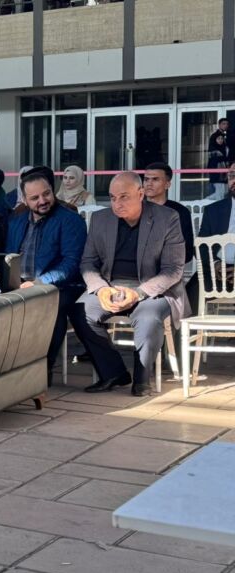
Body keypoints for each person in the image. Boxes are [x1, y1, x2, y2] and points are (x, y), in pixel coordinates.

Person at [71, 172, 187, 397]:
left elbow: (173, 270)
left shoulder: (167, 218)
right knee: (80, 311)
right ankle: (113, 373)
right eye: (113, 198)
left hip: (153, 289)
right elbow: (88, 262)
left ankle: (142, 379)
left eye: (124, 197)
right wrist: (101, 289)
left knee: (148, 318)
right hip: (110, 286)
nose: (117, 204)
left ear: (141, 194)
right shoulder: (100, 219)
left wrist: (138, 293)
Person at [6, 167, 87, 384]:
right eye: (35, 198)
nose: (42, 201)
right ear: (25, 200)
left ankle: (42, 372)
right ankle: (9, 369)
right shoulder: (16, 222)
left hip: (61, 285)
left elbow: (71, 264)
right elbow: (8, 256)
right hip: (21, 284)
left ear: (52, 190)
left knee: (50, 306)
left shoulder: (70, 220)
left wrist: (40, 282)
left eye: (46, 194)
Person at [143, 162, 197, 311]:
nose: (149, 183)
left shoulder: (179, 212)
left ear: (167, 184)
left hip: (168, 272)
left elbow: (187, 251)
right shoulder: (135, 209)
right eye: (146, 179)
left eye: (155, 179)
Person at [207, 131, 230, 200]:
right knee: (220, 194)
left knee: (224, 192)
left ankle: (205, 201)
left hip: (224, 175)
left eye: (222, 138)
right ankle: (206, 201)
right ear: (215, 140)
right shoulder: (213, 150)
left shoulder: (225, 149)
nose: (220, 140)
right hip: (217, 176)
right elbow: (212, 164)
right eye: (218, 138)